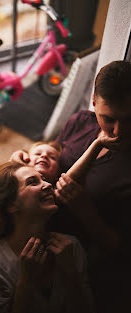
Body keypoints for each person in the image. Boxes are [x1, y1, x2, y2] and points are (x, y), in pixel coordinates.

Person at [11, 60, 131, 313]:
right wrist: (27, 159)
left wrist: (86, 212)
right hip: (30, 212)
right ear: (94, 103)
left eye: (130, 120)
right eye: (108, 119)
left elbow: (120, 250)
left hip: (65, 244)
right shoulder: (80, 123)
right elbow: (51, 153)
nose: (119, 131)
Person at [0, 134, 117, 261]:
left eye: (52, 157)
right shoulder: (17, 173)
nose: (43, 157)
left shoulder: (50, 191)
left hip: (9, 229)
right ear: (26, 160)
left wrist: (96, 145)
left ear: (58, 171)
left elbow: (72, 177)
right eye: (38, 153)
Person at [0, 161, 95, 313]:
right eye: (32, 182)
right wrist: (26, 282)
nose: (47, 185)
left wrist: (71, 272)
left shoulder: (71, 247)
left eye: (44, 179)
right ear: (11, 205)